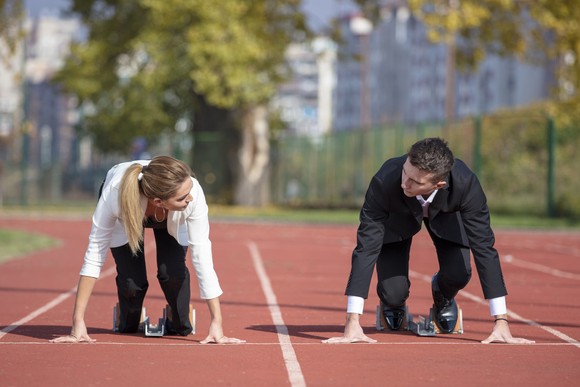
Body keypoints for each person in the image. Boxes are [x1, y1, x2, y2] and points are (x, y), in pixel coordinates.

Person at [323, 137, 534, 345]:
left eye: (415, 181)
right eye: (406, 172)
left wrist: (501, 321)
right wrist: (352, 321)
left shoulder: (465, 185)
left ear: (439, 184)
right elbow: (366, 247)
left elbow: (484, 247)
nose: (405, 182)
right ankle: (393, 304)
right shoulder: (385, 180)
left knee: (459, 273)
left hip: (448, 216)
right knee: (393, 292)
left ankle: (442, 295)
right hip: (398, 217)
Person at [50, 155, 244, 344]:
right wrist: (77, 322)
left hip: (172, 215)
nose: (191, 198)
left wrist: (217, 321)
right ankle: (128, 315)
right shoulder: (115, 195)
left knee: (172, 275)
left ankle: (175, 315)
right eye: (184, 197)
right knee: (132, 286)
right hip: (129, 209)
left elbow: (202, 255)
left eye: (190, 189)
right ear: (159, 202)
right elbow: (95, 252)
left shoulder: (192, 195)